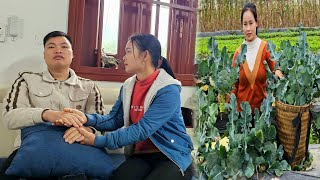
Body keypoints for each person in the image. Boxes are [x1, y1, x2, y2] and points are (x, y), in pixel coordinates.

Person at [55, 33, 194, 180]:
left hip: (172, 155)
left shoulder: (168, 90)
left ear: (145, 55)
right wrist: (85, 118)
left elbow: (142, 129)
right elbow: (114, 119)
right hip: (142, 156)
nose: (123, 57)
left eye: (128, 51)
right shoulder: (128, 85)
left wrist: (96, 140)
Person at [0, 31, 105, 180]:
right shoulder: (26, 79)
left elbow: (103, 125)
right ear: (44, 54)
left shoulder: (89, 86)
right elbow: (10, 118)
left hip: (77, 150)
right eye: (51, 47)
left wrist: (87, 130)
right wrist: (47, 114)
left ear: (72, 54)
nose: (58, 50)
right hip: (32, 150)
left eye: (64, 46)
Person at [231, 2, 283, 111]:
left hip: (263, 115)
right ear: (242, 26)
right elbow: (233, 86)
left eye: (251, 23)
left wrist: (278, 73)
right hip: (241, 118)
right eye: (245, 24)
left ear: (256, 23)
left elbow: (276, 70)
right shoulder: (238, 53)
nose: (248, 28)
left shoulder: (265, 48)